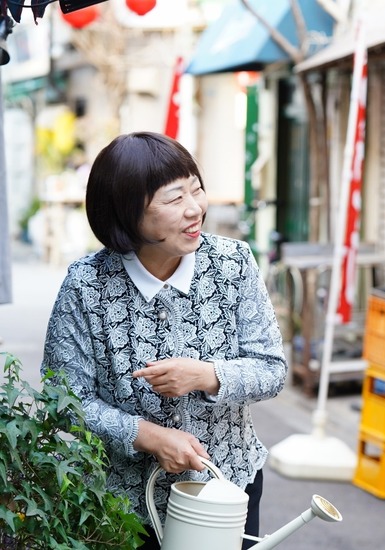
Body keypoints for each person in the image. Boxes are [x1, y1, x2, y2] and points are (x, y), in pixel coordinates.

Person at [41, 131, 288, 549]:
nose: (195, 209)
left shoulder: (234, 264)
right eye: (174, 199)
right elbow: (64, 398)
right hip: (120, 501)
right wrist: (147, 435)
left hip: (226, 488)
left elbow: (272, 370)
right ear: (125, 211)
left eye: (197, 190)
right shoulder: (86, 286)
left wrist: (208, 375)